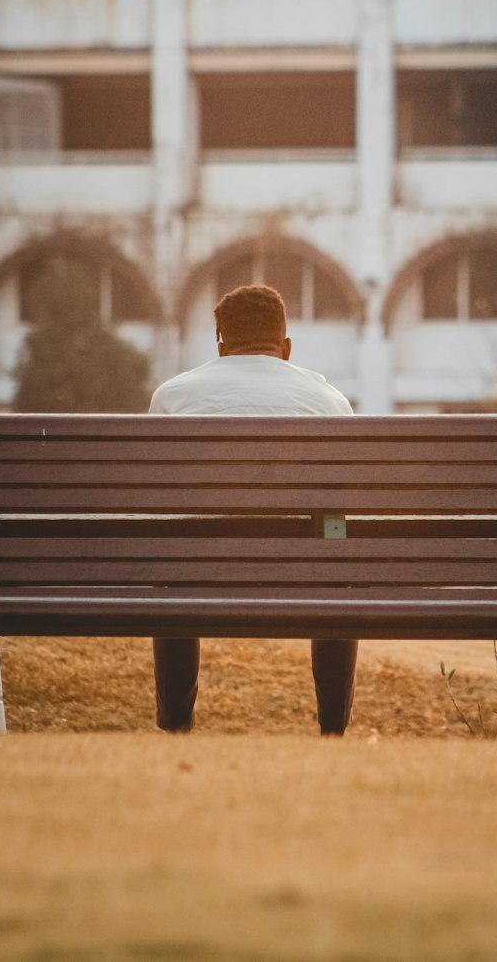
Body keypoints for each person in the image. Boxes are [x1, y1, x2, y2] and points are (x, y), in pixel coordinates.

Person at [147, 283, 357, 735]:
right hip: (308, 574)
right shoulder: (329, 402)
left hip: (195, 574)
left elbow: (160, 504)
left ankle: (175, 726)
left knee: (173, 565)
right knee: (336, 570)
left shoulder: (173, 397)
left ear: (220, 343)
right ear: (285, 347)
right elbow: (340, 509)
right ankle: (333, 731)